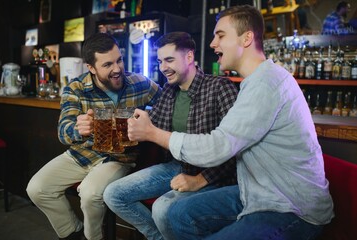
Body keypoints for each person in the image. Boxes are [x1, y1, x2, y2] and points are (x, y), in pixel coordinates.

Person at [127, 5, 334, 240]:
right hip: (254, 194)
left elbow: (218, 147)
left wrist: (153, 133)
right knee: (176, 214)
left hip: (291, 208)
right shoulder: (255, 81)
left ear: (246, 39)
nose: (213, 44)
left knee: (170, 210)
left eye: (220, 35)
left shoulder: (266, 84)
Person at [103, 32, 238, 240]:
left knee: (162, 209)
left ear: (190, 57)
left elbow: (235, 147)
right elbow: (148, 128)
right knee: (113, 194)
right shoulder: (168, 90)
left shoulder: (220, 87)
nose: (163, 67)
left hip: (211, 172)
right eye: (159, 61)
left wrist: (200, 179)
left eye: (169, 60)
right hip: (176, 166)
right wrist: (101, 126)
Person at [26, 33, 161, 240]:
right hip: (83, 154)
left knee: (90, 194)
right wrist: (77, 129)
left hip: (118, 158)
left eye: (119, 60)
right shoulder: (76, 89)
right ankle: (74, 232)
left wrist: (150, 118)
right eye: (107, 64)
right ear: (91, 68)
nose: (117, 69)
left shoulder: (139, 83)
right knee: (37, 188)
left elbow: (168, 101)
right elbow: (63, 131)